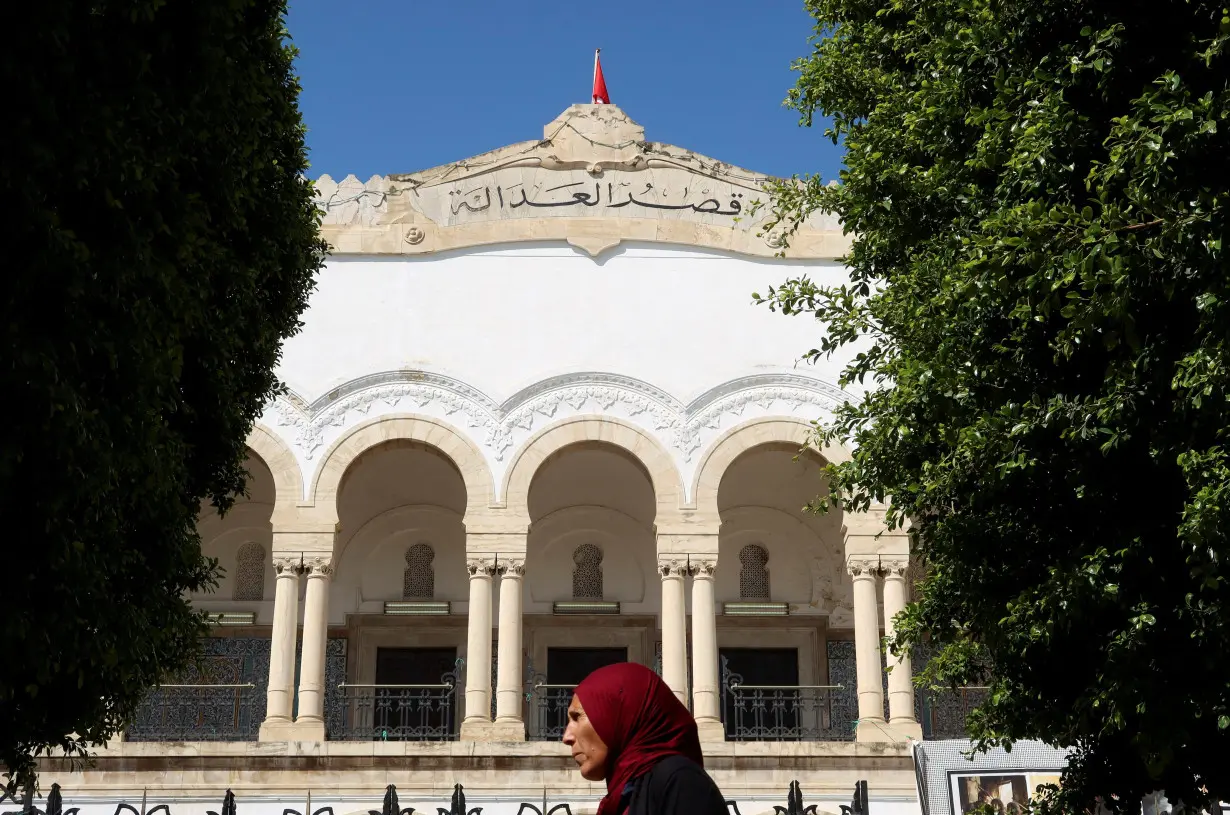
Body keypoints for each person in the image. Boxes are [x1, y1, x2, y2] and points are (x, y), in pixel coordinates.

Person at [562, 662, 728, 815]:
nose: (566, 737)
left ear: (620, 715)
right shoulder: (623, 794)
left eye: (577, 717)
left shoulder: (680, 782)